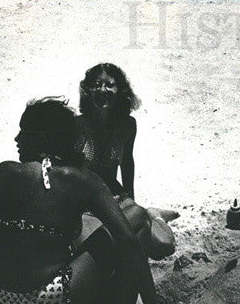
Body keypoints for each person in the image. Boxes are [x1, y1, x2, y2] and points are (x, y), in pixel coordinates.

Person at [0, 97, 177, 304]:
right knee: (137, 216)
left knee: (79, 233)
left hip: (4, 297)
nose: (17, 139)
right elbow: (128, 240)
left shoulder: (5, 172)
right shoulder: (83, 180)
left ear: (43, 137)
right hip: (55, 303)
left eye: (24, 132)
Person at [75, 62, 177, 260]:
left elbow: (127, 163)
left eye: (109, 85)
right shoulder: (77, 125)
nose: (102, 90)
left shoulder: (127, 125)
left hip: (112, 194)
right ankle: (149, 215)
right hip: (84, 199)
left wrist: (131, 201)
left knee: (162, 246)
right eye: (96, 84)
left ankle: (153, 215)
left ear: (120, 90)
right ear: (88, 90)